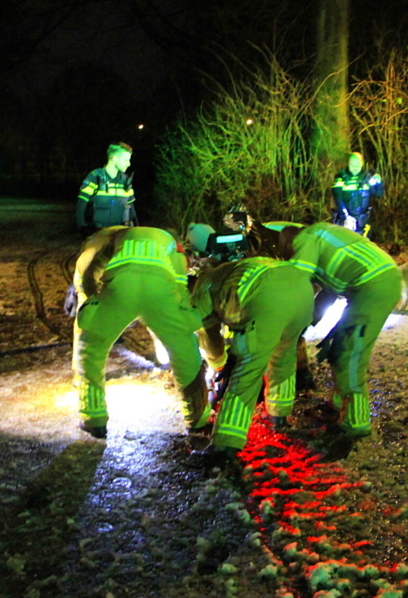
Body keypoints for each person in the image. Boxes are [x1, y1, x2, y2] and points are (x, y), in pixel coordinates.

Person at [73, 226, 210, 438]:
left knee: (91, 348)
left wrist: (95, 304)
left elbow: (87, 278)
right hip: (161, 293)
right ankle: (197, 419)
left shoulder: (99, 244)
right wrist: (181, 320)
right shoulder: (171, 246)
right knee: (185, 350)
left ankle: (93, 418)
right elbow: (180, 288)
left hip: (120, 289)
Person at [281, 222, 401, 437]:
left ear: (290, 242)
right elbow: (326, 295)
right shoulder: (323, 239)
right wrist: (305, 323)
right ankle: (338, 407)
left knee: (349, 353)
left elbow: (297, 281)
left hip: (373, 286)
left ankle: (355, 423)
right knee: (338, 348)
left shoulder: (306, 238)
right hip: (377, 281)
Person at [191, 256, 314, 458]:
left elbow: (208, 335)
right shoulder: (228, 270)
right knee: (283, 355)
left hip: (268, 297)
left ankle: (226, 443)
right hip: (303, 292)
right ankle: (279, 415)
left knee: (248, 372)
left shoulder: (202, 287)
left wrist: (219, 365)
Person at [74, 142, 137, 237]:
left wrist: (136, 229)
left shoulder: (125, 180)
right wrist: (83, 230)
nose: (129, 164)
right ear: (114, 158)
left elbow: (131, 209)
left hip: (123, 234)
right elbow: (80, 208)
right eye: (125, 160)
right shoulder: (95, 177)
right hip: (99, 234)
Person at [332, 152, 383, 237]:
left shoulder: (367, 177)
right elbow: (338, 199)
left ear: (362, 163)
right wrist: (345, 217)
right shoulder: (341, 178)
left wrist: (379, 183)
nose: (355, 168)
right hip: (346, 221)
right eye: (352, 165)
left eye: (358, 164)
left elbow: (378, 194)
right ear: (348, 164)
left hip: (363, 221)